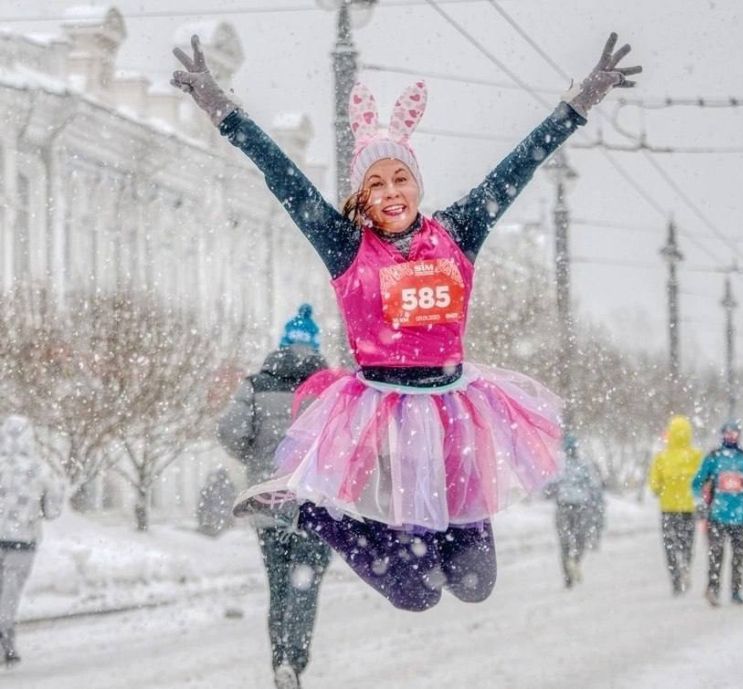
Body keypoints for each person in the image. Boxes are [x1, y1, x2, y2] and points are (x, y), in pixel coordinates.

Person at [172, 32, 641, 612]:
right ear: (362, 198)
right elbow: (283, 178)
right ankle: (309, 510)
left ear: (416, 182)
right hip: (382, 419)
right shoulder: (346, 246)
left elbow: (519, 167)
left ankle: (345, 519)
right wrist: (222, 109)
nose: (390, 192)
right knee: (416, 594)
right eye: (375, 183)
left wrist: (578, 106)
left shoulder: (459, 230)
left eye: (399, 178)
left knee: (474, 584)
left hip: (455, 416)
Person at [217, 311, 331, 689]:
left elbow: (230, 432)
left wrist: (257, 456)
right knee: (305, 585)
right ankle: (293, 662)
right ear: (313, 346)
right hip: (316, 505)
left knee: (279, 586)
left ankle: (279, 659)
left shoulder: (256, 385)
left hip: (268, 503)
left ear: (284, 343)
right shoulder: (332, 387)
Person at [0, 415, 64, 667]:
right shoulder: (41, 470)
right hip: (22, 542)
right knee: (10, 592)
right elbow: (52, 510)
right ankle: (6, 637)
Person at [691, 421, 743, 607]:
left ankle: (736, 590)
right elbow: (697, 482)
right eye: (727, 433)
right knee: (716, 554)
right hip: (717, 515)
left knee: (739, 554)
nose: (731, 437)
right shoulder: (714, 458)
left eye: (734, 433)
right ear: (722, 435)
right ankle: (713, 589)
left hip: (739, 516)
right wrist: (701, 499)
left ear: (739, 435)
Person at [648, 415, 701, 595]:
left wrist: (660, 489)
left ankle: (676, 579)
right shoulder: (696, 456)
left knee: (670, 545)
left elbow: (654, 484)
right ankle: (685, 564)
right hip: (689, 508)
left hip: (668, 509)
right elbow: (702, 480)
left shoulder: (661, 457)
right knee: (687, 543)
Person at [544, 437, 605, 588]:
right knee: (581, 539)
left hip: (563, 506)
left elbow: (549, 487)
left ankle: (567, 577)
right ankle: (576, 561)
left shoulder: (559, 466)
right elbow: (593, 486)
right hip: (581, 507)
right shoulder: (583, 465)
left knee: (564, 542)